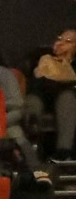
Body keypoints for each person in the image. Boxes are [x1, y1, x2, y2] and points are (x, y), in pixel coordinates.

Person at [30, 26, 76, 159]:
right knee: (32, 102)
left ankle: (64, 152)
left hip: (69, 101)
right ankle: (34, 151)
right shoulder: (43, 59)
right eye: (60, 39)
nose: (61, 43)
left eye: (68, 41)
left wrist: (66, 64)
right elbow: (36, 82)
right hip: (42, 98)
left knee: (67, 98)